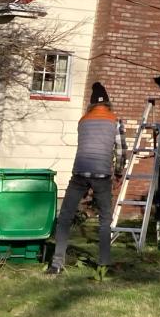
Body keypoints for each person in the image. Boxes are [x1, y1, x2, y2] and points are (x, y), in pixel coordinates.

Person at [47, 82, 124, 274]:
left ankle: (57, 264)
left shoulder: (83, 121)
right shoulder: (115, 121)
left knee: (65, 217)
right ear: (108, 103)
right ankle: (104, 264)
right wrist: (119, 172)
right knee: (105, 219)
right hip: (102, 175)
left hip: (80, 172)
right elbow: (121, 151)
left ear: (91, 105)